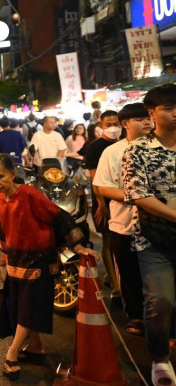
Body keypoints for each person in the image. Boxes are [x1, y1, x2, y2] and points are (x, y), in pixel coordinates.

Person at [0, 154, 98, 380]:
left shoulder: (29, 194)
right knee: (21, 307)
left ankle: (12, 354)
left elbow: (60, 216)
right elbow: (2, 226)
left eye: (0, 176)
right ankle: (36, 347)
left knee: (28, 309)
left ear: (11, 174)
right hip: (16, 260)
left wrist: (77, 246)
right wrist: (5, 253)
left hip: (39, 260)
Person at [122, 84, 176, 385]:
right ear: (152, 113)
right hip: (153, 241)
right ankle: (159, 359)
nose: (175, 112)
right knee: (160, 300)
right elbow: (138, 195)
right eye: (168, 107)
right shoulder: (138, 150)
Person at [93, 103, 151, 336]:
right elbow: (102, 186)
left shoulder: (160, 147)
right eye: (140, 119)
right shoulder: (112, 152)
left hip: (157, 224)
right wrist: (139, 198)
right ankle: (136, 316)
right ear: (125, 124)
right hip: (124, 224)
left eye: (148, 118)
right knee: (128, 273)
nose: (147, 122)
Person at [83, 110, 122, 299]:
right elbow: (95, 179)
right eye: (109, 124)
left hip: (124, 200)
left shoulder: (126, 144)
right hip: (104, 201)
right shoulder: (94, 148)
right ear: (101, 125)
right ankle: (115, 284)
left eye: (117, 123)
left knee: (121, 243)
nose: (113, 128)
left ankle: (115, 277)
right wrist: (101, 204)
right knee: (108, 241)